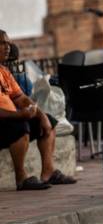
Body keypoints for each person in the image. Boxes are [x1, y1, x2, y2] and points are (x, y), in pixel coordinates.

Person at [0, 30, 77, 190]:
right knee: (20, 127)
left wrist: (40, 115)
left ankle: (48, 172)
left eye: (8, 43)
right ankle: (21, 179)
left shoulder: (4, 72)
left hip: (10, 120)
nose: (7, 47)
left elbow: (21, 98)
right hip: (4, 122)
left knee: (49, 122)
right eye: (2, 43)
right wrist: (19, 115)